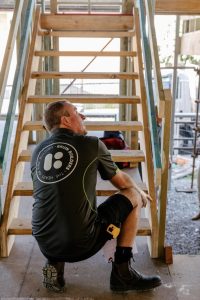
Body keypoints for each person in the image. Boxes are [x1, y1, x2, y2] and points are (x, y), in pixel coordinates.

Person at [31, 100, 162, 293]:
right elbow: (123, 183)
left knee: (57, 200)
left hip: (44, 242)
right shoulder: (91, 144)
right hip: (81, 243)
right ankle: (122, 274)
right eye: (77, 112)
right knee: (133, 194)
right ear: (66, 120)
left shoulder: (38, 151)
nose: (83, 116)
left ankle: (53, 270)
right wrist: (140, 192)